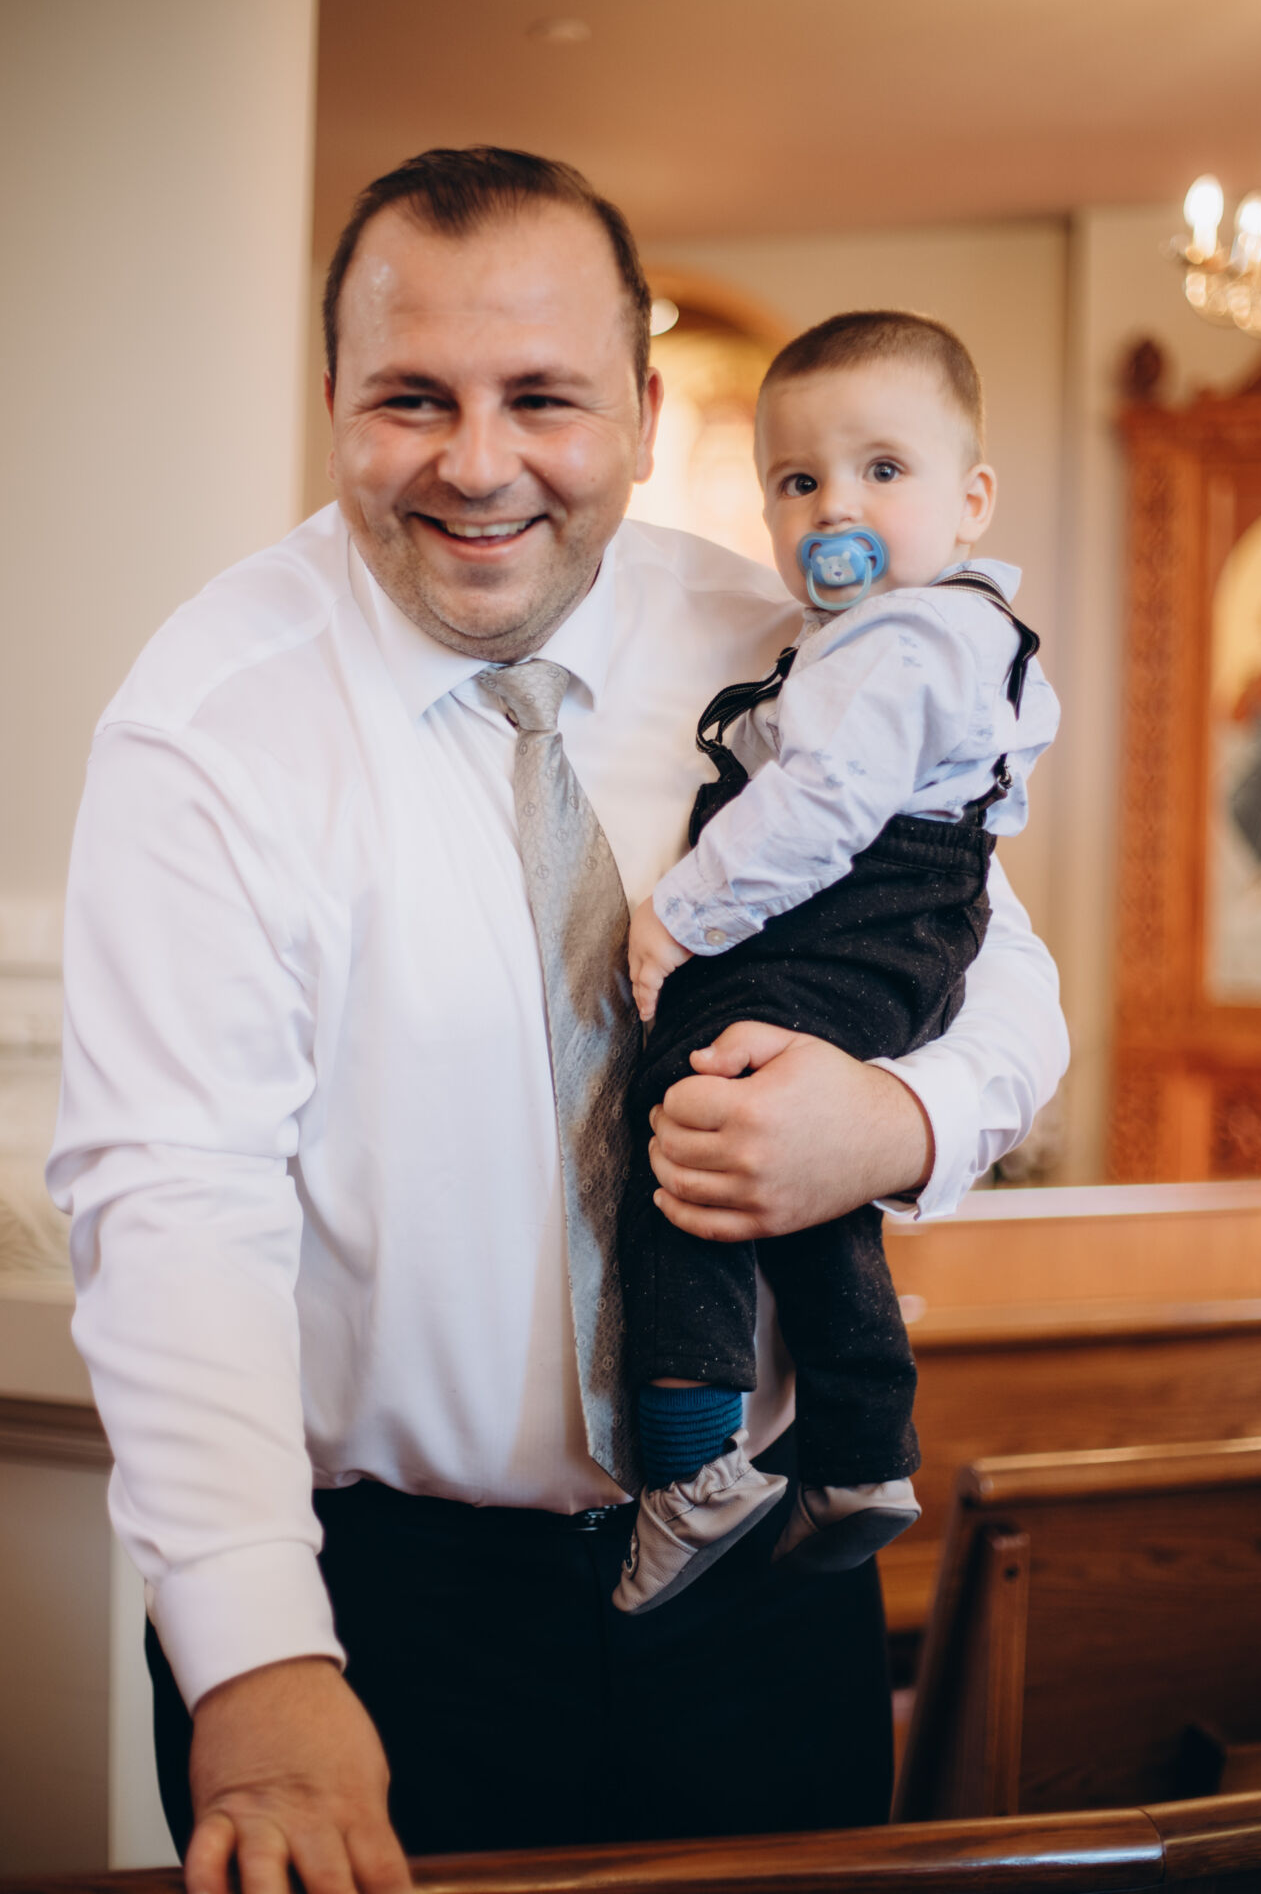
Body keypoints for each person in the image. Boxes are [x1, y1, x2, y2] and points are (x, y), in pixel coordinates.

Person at [46, 148, 1068, 1894]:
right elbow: (173, 1204)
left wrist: (895, 1122)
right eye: (412, 398)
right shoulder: (208, 720)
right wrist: (258, 1661)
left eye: (543, 397)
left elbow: (1002, 971)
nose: (477, 461)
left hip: (764, 1585)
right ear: (332, 400)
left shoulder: (789, 636)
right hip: (387, 1611)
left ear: (645, 412)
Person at [614, 312, 1059, 1613]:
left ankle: (694, 1460)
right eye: (799, 480)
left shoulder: (894, 639)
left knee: (688, 1109)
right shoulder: (906, 635)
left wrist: (680, 915)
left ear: (971, 500)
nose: (836, 509)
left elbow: (826, 804)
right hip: (903, 914)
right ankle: (862, 1451)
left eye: (883, 470)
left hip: (863, 909)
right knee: (774, 1156)